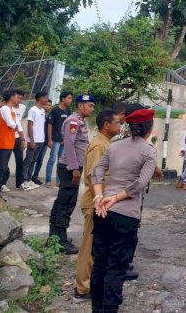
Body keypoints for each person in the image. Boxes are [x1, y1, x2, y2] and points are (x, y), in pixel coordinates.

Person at [90, 107, 157, 313]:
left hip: (102, 212)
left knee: (100, 264)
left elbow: (96, 171)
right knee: (117, 267)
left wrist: (100, 196)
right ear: (149, 128)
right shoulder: (149, 151)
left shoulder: (115, 146)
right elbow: (139, 184)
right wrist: (116, 198)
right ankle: (109, 309)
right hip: (126, 215)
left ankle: (96, 308)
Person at [75, 109, 120, 301]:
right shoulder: (98, 146)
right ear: (106, 125)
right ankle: (82, 287)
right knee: (89, 246)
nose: (120, 125)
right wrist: (100, 201)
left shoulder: (107, 143)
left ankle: (90, 283)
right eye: (117, 123)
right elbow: (94, 177)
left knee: (98, 247)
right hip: (95, 203)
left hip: (101, 203)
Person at [49, 94, 95, 254]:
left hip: (72, 167)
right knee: (66, 203)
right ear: (80, 106)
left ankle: (54, 237)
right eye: (89, 105)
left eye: (92, 106)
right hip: (70, 168)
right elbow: (69, 145)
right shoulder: (73, 121)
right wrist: (74, 168)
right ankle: (60, 240)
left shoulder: (79, 121)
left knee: (62, 201)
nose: (92, 109)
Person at [0, 90, 21, 194]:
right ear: (11, 98)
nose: (17, 98)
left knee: (3, 167)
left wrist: (16, 125)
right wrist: (15, 125)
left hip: (9, 142)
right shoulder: (5, 108)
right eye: (16, 96)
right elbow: (11, 124)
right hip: (3, 143)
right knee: (1, 168)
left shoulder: (11, 110)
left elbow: (16, 125)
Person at [46, 91, 72, 187]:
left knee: (61, 161)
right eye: (69, 98)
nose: (70, 100)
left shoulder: (68, 111)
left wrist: (66, 138)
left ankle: (58, 181)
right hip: (55, 139)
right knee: (52, 159)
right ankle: (48, 181)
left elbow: (68, 126)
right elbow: (50, 125)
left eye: (71, 98)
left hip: (64, 140)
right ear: (63, 99)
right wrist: (50, 139)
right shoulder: (55, 110)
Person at [24, 92, 48, 186]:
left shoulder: (42, 110)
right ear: (40, 98)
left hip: (41, 140)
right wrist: (32, 140)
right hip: (33, 141)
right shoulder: (32, 110)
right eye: (45, 98)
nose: (47, 100)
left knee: (34, 160)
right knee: (28, 160)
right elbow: (30, 125)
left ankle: (29, 179)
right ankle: (24, 180)